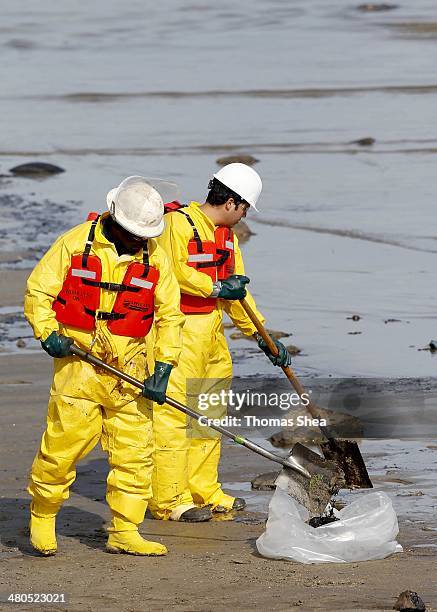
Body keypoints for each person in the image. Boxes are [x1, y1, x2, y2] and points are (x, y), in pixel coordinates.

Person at [24, 176, 184, 556]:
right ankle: (43, 515)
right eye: (133, 234)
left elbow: (170, 316)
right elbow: (38, 291)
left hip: (131, 371)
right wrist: (48, 334)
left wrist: (163, 367)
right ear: (114, 220)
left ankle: (125, 530)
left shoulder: (155, 255)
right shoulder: (74, 243)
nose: (139, 240)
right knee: (62, 449)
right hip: (79, 366)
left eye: (144, 234)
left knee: (135, 454)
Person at [149, 163, 292, 522]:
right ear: (230, 202)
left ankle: (203, 488)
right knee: (174, 417)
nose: (245, 216)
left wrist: (263, 337)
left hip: (211, 332)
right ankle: (170, 499)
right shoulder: (177, 225)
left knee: (209, 414)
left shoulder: (226, 237)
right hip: (176, 330)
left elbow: (238, 293)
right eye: (244, 208)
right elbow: (171, 272)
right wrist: (212, 287)